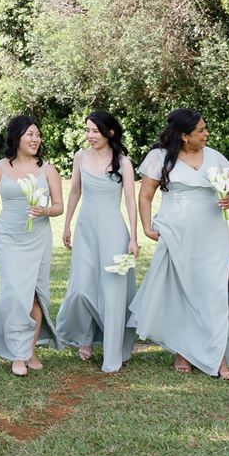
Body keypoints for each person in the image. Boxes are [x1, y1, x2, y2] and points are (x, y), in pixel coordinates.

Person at [132, 108, 229, 380]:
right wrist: (147, 227)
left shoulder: (216, 157)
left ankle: (220, 361)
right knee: (183, 291)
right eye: (201, 130)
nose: (206, 133)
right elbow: (146, 195)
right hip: (176, 231)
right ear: (184, 136)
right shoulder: (159, 158)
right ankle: (184, 350)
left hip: (212, 232)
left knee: (215, 292)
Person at [0, 115, 64, 376]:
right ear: (16, 137)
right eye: (30, 134)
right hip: (8, 238)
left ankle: (30, 349)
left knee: (35, 295)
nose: (35, 139)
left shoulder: (48, 170)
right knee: (15, 294)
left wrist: (45, 210)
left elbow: (59, 206)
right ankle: (17, 354)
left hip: (38, 239)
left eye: (38, 134)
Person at [53, 110, 139, 372]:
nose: (89, 136)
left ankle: (112, 353)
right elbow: (75, 190)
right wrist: (67, 223)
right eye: (87, 130)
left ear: (109, 133)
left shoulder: (123, 162)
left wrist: (134, 237)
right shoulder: (80, 156)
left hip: (113, 230)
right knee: (82, 286)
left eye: (94, 131)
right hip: (85, 228)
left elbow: (130, 201)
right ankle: (85, 336)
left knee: (112, 292)